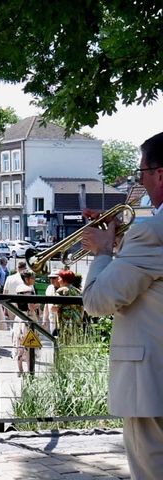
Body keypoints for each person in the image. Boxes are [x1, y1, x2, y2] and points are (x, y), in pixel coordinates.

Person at [81, 131, 163, 480]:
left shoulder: (151, 233)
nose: (140, 182)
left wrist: (103, 251)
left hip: (153, 384)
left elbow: (97, 301)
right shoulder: (146, 234)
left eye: (141, 173)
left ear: (160, 174)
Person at [13, 271, 39, 376]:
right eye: (33, 277)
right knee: (29, 345)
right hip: (28, 317)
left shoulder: (18, 288)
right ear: (27, 279)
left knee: (19, 344)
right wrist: (38, 305)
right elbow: (31, 306)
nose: (34, 279)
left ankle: (20, 369)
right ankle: (30, 370)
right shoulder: (28, 290)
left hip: (19, 317)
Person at [51, 269, 83, 340]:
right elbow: (82, 308)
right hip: (76, 322)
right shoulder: (78, 291)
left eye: (59, 278)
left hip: (65, 323)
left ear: (63, 280)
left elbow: (55, 308)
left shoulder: (61, 291)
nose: (58, 280)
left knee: (64, 344)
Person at [42, 270, 61, 334]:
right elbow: (46, 305)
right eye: (50, 278)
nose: (51, 280)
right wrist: (44, 319)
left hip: (63, 319)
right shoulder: (49, 288)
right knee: (53, 338)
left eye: (54, 278)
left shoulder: (64, 288)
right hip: (52, 319)